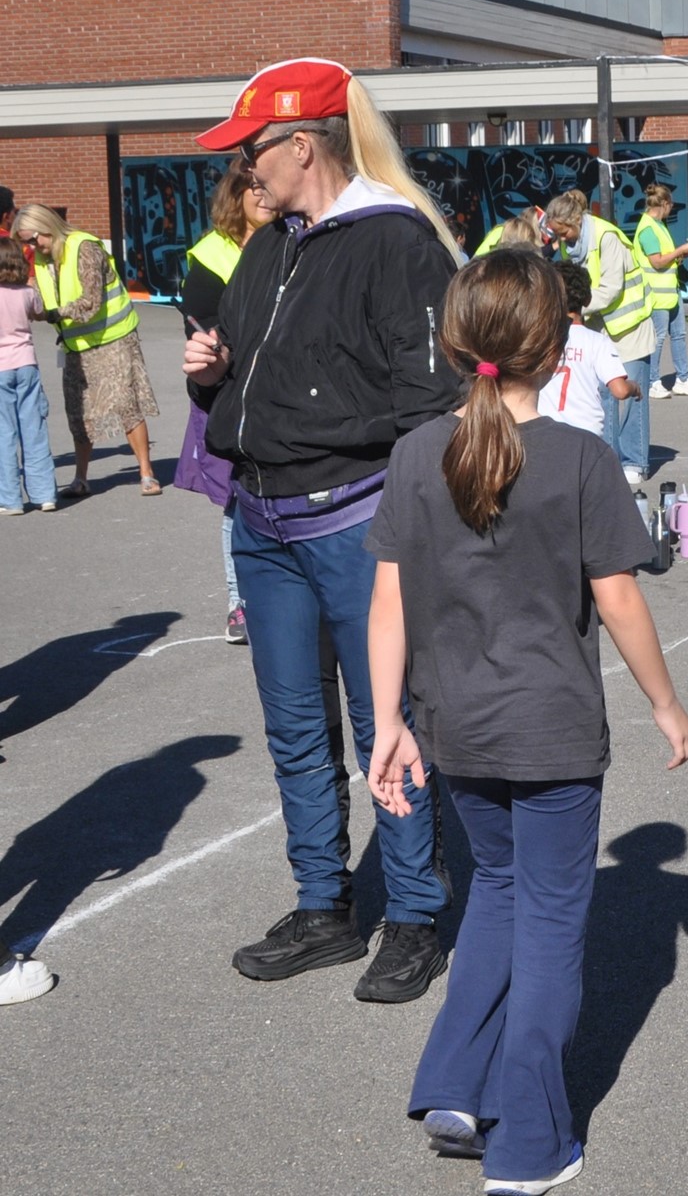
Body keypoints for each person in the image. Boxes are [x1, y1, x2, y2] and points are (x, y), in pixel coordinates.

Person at [363, 248, 688, 1195]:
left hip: (453, 725)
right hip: (549, 729)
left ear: (452, 340)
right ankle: (530, 1141)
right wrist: (666, 706)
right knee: (548, 922)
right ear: (560, 352)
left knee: (500, 896)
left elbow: (385, 604)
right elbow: (621, 600)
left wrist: (388, 721)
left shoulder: (416, 452)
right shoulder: (581, 458)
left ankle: (457, 1086)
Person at [183, 56, 464, 1003]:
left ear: (303, 145)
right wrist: (207, 373)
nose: (243, 173)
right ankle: (322, 906)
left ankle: (416, 914)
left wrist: (411, 534)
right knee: (295, 728)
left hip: (356, 525)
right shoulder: (271, 245)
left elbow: (433, 402)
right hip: (261, 524)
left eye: (253, 152)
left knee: (388, 725)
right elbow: (249, 381)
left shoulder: (396, 243)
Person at [176, 167, 279, 640]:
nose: (261, 194)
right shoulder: (214, 254)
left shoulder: (291, 238)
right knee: (238, 501)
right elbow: (204, 328)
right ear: (233, 197)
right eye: (250, 188)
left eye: (264, 185)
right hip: (228, 396)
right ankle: (240, 604)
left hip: (280, 394)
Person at [12, 204, 161, 497]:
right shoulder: (43, 260)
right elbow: (43, 296)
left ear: (47, 227)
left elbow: (90, 302)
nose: (32, 247)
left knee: (126, 404)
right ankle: (81, 479)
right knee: (78, 414)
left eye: (33, 239)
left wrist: (51, 314)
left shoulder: (84, 248)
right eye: (26, 242)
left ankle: (146, 473)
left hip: (113, 338)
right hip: (76, 345)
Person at [545, 188, 654, 485]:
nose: (561, 239)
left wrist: (573, 306)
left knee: (630, 396)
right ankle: (607, 459)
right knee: (604, 396)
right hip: (599, 327)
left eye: (563, 231)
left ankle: (635, 461)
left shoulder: (607, 237)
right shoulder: (571, 243)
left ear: (576, 220)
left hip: (629, 327)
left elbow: (611, 288)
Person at [541, 261, 634, 440]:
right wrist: (634, 387)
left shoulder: (540, 339)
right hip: (586, 434)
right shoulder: (597, 341)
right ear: (587, 299)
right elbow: (620, 390)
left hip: (547, 431)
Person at [0, 235, 55, 516]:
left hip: (0, 369)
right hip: (26, 364)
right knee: (34, 429)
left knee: (4, 434)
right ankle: (45, 494)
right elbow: (40, 312)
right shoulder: (26, 293)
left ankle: (10, 498)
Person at [638, 183, 688, 399]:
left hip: (670, 294)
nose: (671, 210)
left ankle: (683, 379)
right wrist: (680, 251)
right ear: (664, 204)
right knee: (659, 338)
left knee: (679, 335)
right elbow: (656, 262)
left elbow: (665, 257)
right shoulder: (647, 229)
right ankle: (653, 381)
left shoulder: (659, 225)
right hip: (656, 295)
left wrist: (677, 255)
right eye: (670, 206)